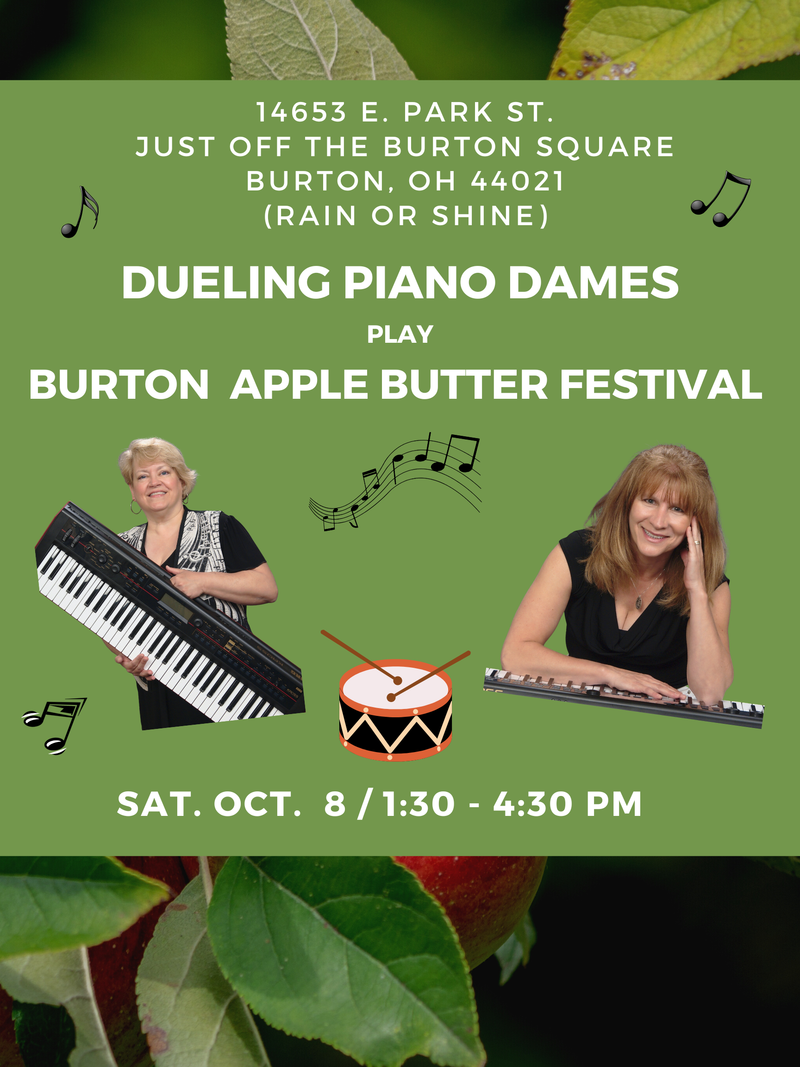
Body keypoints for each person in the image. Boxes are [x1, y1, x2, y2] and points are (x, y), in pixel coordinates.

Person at [501, 445, 732, 707]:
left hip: (663, 721)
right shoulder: (578, 552)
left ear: (696, 522)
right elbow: (515, 654)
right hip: (576, 706)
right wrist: (609, 675)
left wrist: (697, 591)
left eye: (677, 509)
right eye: (650, 501)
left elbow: (711, 693)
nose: (658, 521)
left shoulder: (710, 585)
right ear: (627, 502)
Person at [104, 438, 278, 729]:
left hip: (229, 682)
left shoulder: (221, 526)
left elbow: (266, 588)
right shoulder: (121, 546)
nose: (153, 482)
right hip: (159, 685)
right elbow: (109, 617)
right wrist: (124, 653)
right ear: (133, 491)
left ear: (182, 483)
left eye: (163, 472)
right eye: (142, 476)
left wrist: (203, 581)